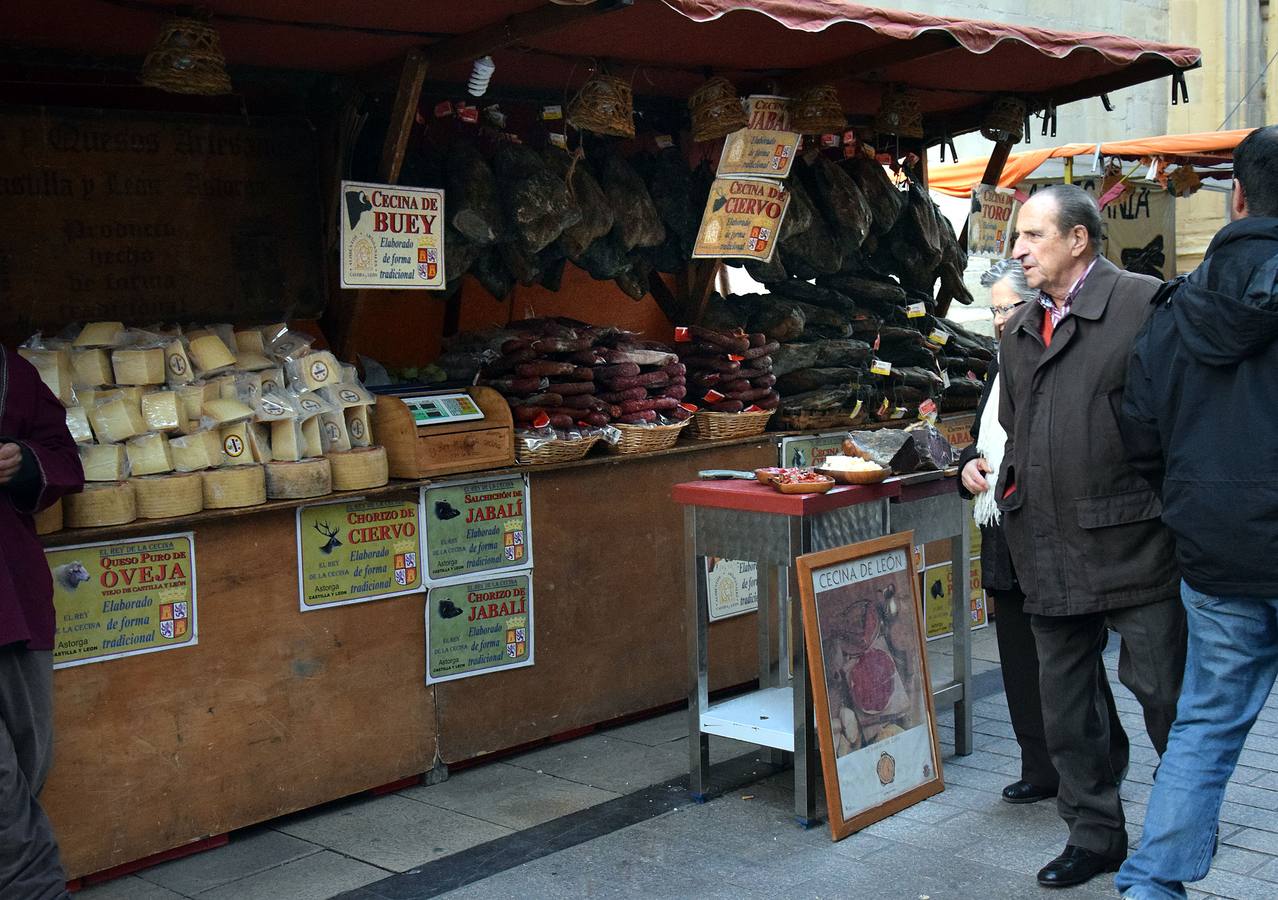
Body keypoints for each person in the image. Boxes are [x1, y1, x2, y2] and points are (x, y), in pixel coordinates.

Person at [989, 183, 1186, 889]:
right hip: (1044, 544)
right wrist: (997, 480)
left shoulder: (1145, 304)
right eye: (1019, 237)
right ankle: (1095, 836)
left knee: (1166, 696)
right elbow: (1015, 429)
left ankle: (1187, 821)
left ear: (1078, 239)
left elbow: (1180, 422)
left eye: (1033, 236)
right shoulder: (1015, 331)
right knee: (1067, 713)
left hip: (1134, 541)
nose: (1018, 250)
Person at [1114, 126, 1278, 899]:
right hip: (1223, 549)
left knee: (1206, 728)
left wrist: (1189, 497)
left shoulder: (1174, 310)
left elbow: (1139, 429)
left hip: (1215, 552)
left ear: (1237, 194)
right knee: (1205, 723)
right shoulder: (1176, 308)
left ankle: (1151, 885)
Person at [959, 258, 1129, 808]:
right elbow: (983, 436)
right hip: (1003, 523)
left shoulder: (1066, 354)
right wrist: (967, 466)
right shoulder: (1002, 360)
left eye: (1006, 308)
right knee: (1017, 652)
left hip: (1053, 525)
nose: (1000, 322)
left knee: (1069, 652)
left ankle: (1104, 755)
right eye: (993, 313)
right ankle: (1040, 765)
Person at [0, 345, 84, 899]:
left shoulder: (10, 371)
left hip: (12, 593)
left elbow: (59, 451)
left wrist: (22, 460)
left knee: (31, 755)